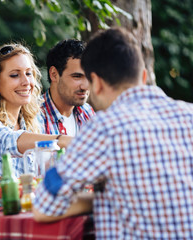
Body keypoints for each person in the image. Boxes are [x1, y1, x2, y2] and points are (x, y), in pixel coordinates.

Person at [33, 27, 193, 239]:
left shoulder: (105, 127)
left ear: (96, 83)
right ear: (143, 76)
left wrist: (102, 197)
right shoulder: (188, 114)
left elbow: (44, 206)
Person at [0, 43, 72, 180]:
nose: (26, 81)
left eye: (29, 73)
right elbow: (8, 142)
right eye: (15, 75)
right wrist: (63, 140)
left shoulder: (33, 122)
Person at [41, 39, 95, 136]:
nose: (86, 86)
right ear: (54, 74)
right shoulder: (33, 117)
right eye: (77, 76)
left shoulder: (87, 112)